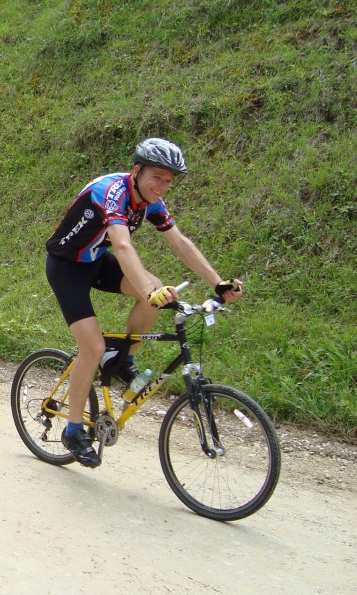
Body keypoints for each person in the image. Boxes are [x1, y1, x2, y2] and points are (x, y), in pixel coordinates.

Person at [45, 138, 243, 467]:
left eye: (169, 181)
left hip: (95, 261)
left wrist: (217, 282)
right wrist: (148, 290)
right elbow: (123, 248)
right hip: (66, 268)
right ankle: (74, 429)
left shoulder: (150, 200)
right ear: (137, 171)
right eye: (157, 177)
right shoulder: (113, 192)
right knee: (92, 349)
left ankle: (123, 361)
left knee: (157, 291)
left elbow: (180, 243)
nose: (163, 186)